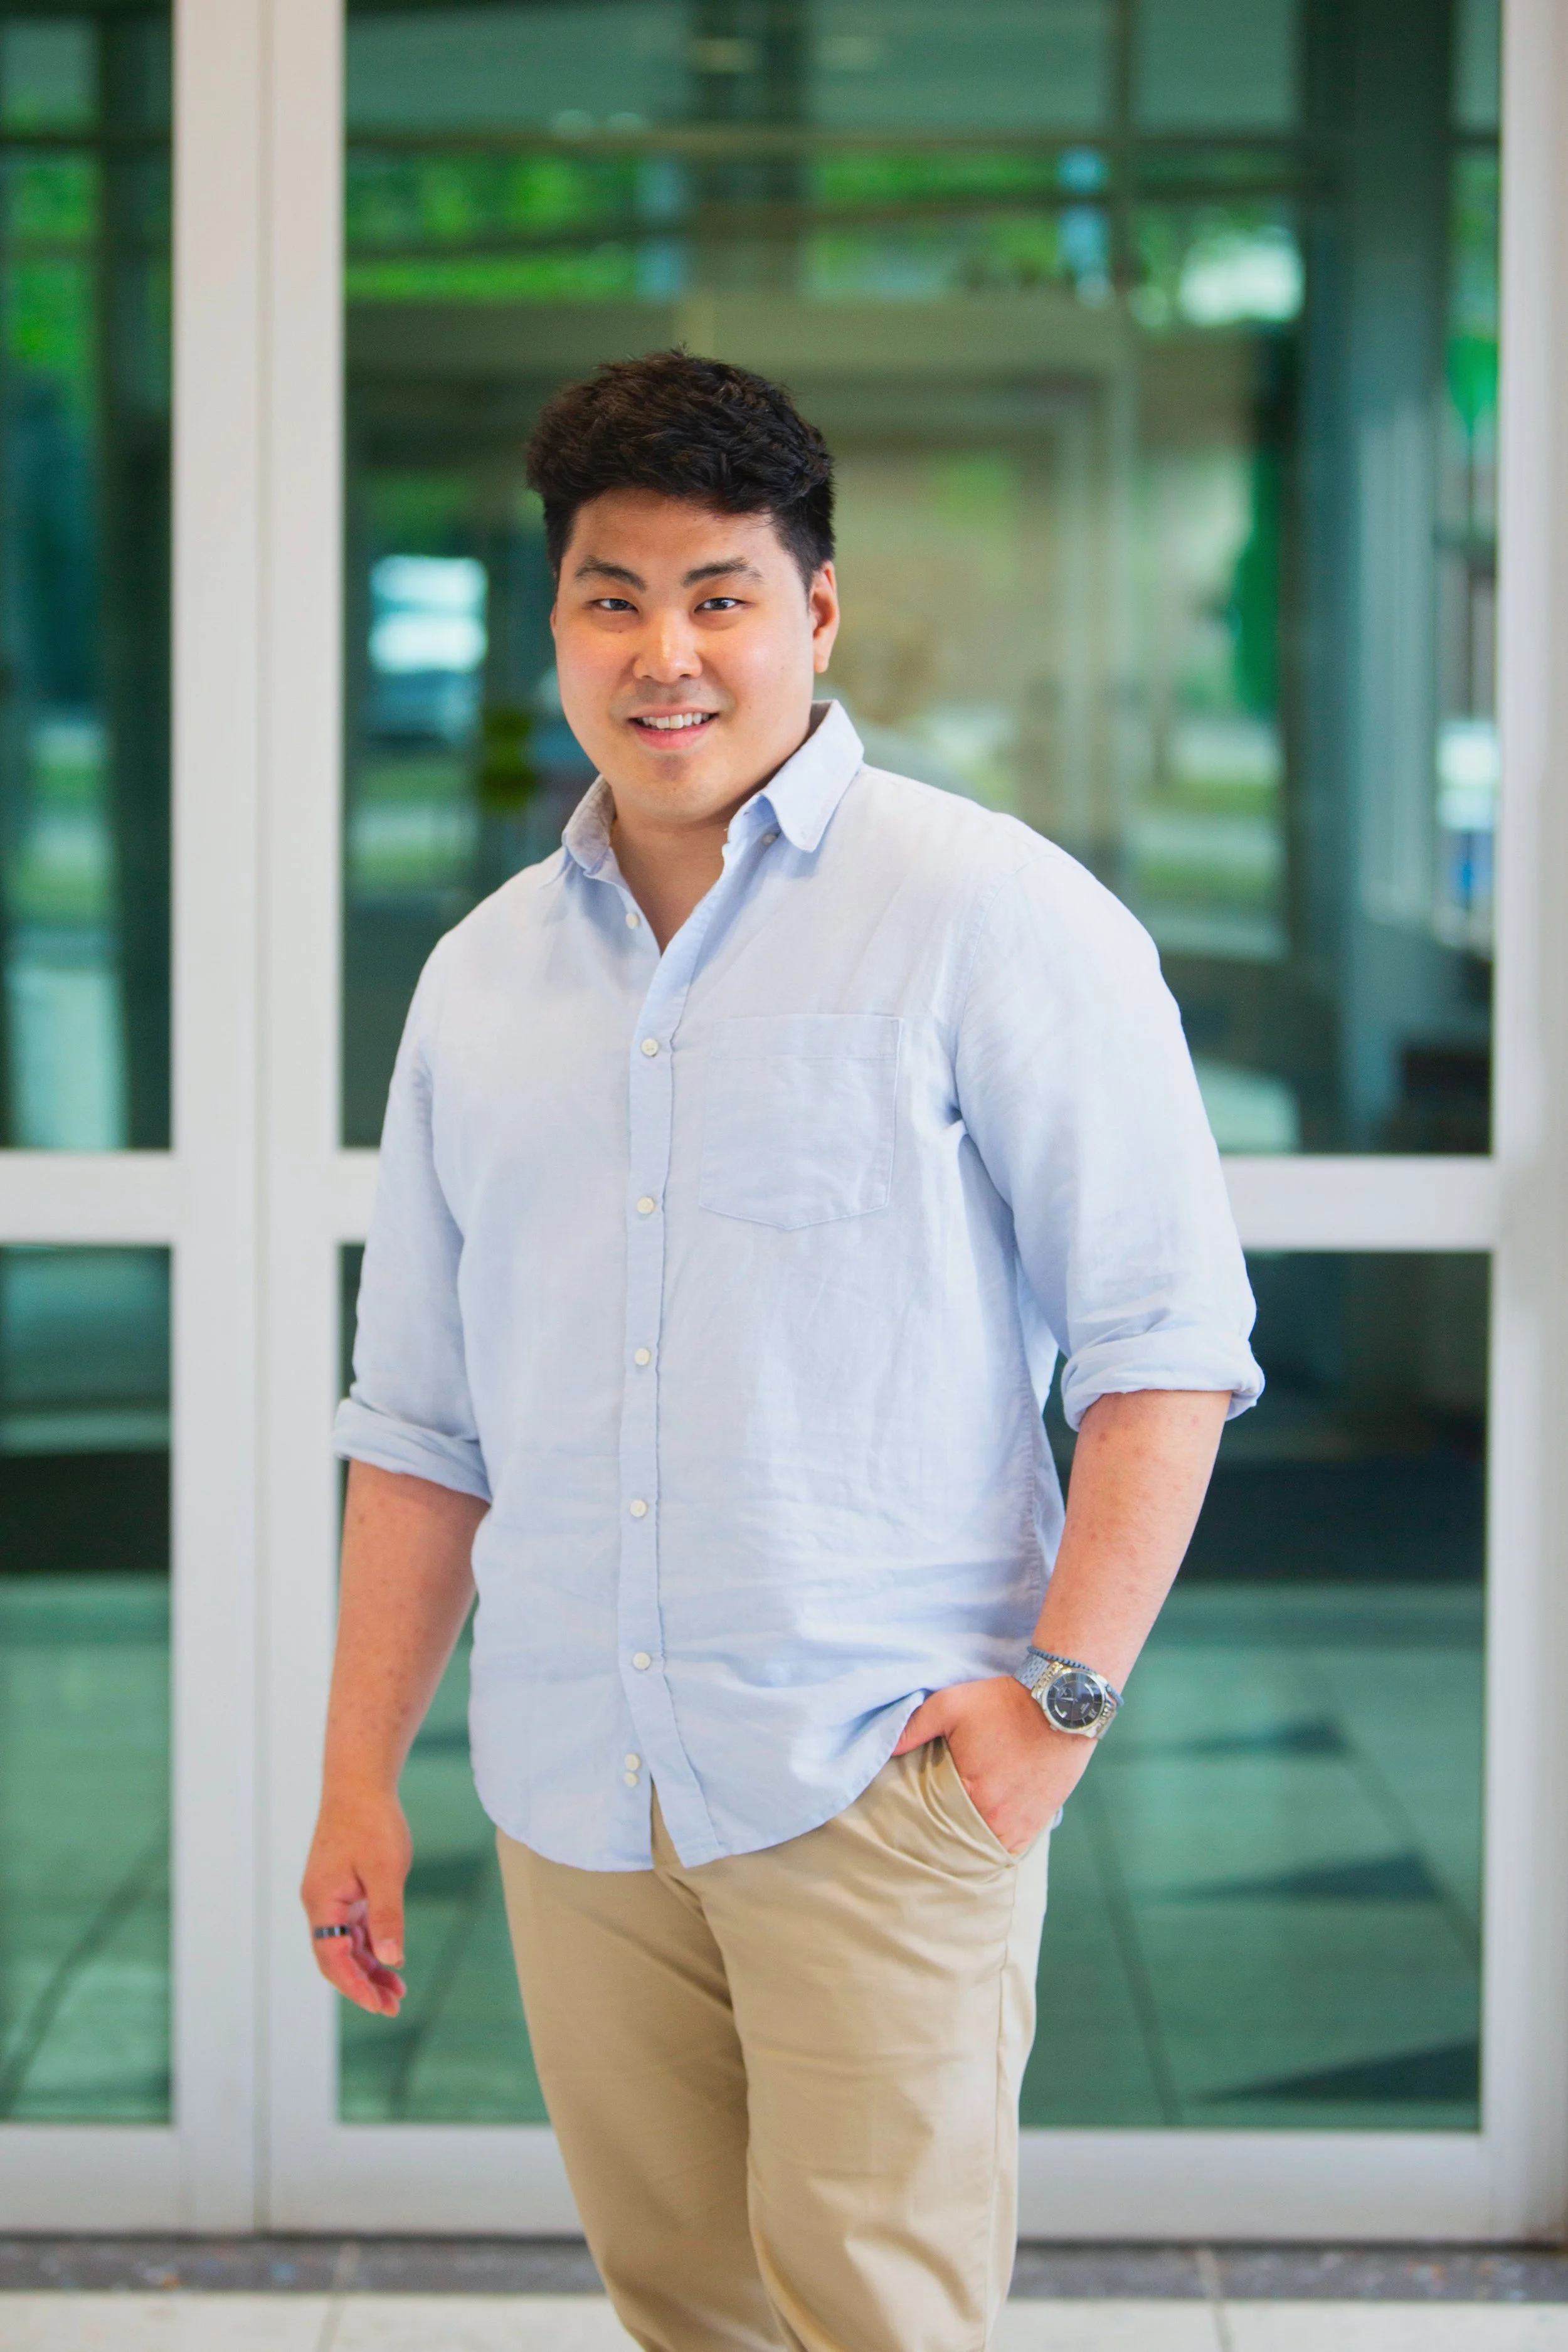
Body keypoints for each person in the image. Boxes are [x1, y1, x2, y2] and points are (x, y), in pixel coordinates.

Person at [304, 350, 1263, 2352]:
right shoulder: (480, 980)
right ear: (555, 616)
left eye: (718, 593)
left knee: (882, 2328)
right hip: (581, 1796)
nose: (665, 651)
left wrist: (1051, 1710)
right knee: (686, 2316)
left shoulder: (985, 910)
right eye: (611, 594)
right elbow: (419, 1425)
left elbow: (1162, 1341)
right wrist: (355, 1783)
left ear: (813, 613)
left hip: (877, 1779)